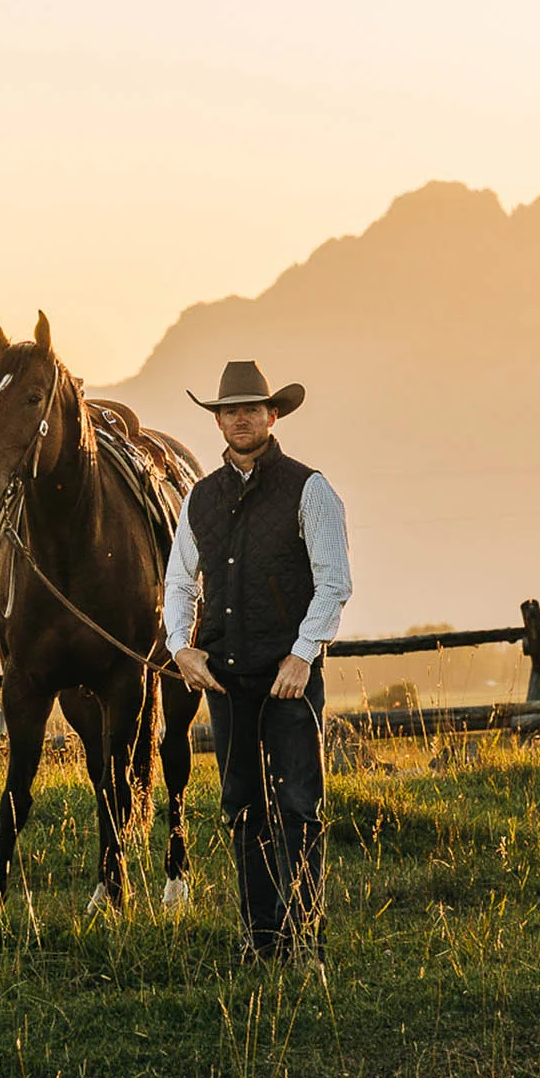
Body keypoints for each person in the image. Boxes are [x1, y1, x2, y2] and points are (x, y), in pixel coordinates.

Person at [163, 360, 353, 961]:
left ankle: (306, 937)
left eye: (251, 408)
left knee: (298, 804)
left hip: (288, 677)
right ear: (218, 421)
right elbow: (178, 583)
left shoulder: (308, 488)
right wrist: (180, 646)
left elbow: (334, 583)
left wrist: (303, 656)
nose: (240, 418)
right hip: (225, 679)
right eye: (229, 410)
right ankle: (260, 937)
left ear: (273, 416)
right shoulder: (200, 499)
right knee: (241, 805)